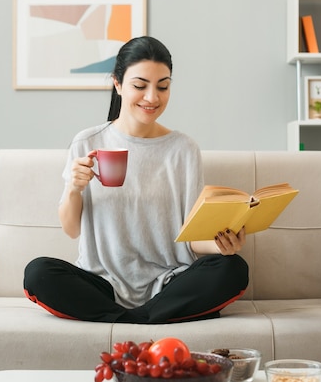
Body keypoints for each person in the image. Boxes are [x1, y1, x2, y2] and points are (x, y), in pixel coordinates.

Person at [23, 36, 248, 324]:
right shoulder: (88, 141)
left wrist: (221, 245)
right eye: (140, 86)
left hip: (170, 282)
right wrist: (74, 188)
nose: (152, 97)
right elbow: (70, 229)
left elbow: (190, 238)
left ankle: (129, 319)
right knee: (38, 273)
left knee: (233, 269)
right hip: (102, 283)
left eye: (163, 86)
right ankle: (148, 319)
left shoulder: (184, 149)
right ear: (118, 84)